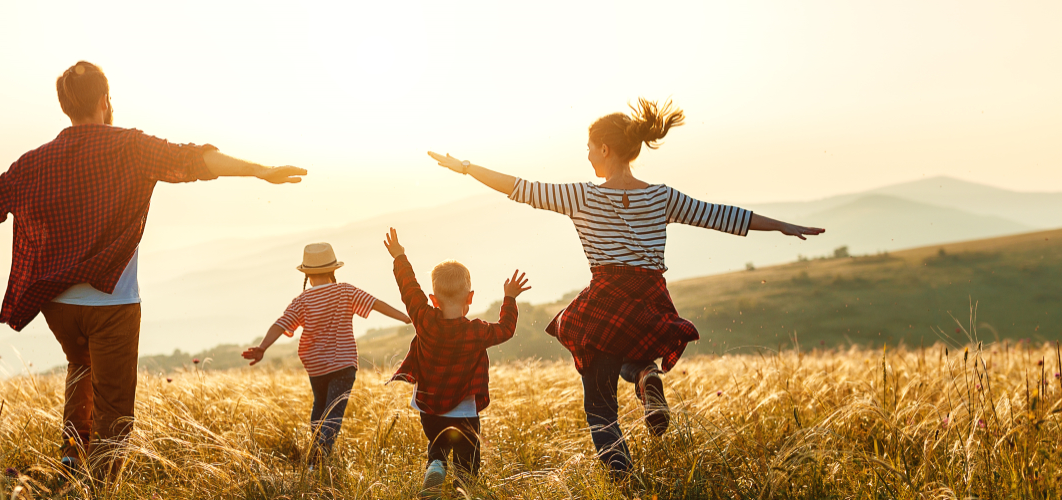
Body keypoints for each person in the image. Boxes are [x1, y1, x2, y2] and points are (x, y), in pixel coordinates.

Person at [0, 61, 306, 478]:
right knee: (115, 407)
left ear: (66, 106)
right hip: (113, 304)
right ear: (105, 100)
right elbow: (194, 160)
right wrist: (260, 171)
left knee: (80, 370)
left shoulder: (34, 162)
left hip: (58, 306)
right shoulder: (131, 147)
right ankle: (100, 487)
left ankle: (69, 464)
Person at [425, 98, 824, 481]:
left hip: (606, 299)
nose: (586, 156)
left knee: (599, 405)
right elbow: (721, 215)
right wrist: (783, 226)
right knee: (624, 352)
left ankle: (624, 482)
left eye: (588, 148)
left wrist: (466, 168)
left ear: (604, 148)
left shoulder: (582, 195)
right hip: (651, 299)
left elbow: (519, 187)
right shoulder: (661, 196)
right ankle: (646, 373)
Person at [381, 228, 523, 496]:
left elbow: (409, 288)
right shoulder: (477, 332)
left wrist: (399, 256)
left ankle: (435, 467)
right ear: (470, 298)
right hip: (465, 411)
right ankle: (463, 490)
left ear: (433, 299)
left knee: (437, 446)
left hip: (429, 406)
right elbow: (506, 329)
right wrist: (510, 298)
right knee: (468, 459)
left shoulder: (424, 319)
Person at [241, 242, 411, 467]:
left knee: (320, 409)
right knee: (333, 414)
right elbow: (376, 304)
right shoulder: (345, 291)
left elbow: (280, 324)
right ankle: (318, 460)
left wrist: (262, 347)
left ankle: (314, 459)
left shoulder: (301, 301)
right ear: (333, 270)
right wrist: (406, 317)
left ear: (308, 275)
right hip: (343, 364)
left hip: (316, 367)